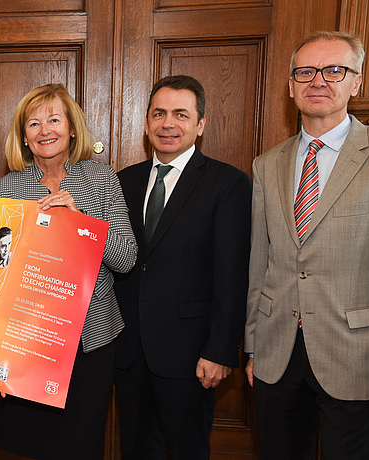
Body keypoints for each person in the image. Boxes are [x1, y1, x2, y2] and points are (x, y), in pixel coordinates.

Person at [245, 31, 369, 460]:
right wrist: (253, 344)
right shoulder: (267, 163)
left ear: (356, 82)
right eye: (306, 71)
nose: (318, 81)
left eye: (334, 70)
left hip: (356, 356)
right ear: (290, 85)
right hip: (277, 355)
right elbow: (262, 262)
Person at [0, 83, 137, 459]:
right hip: (25, 344)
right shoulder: (5, 189)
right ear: (23, 136)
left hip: (90, 346)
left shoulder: (102, 179)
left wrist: (80, 224)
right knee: (27, 446)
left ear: (72, 127)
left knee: (80, 446)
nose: (45, 131)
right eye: (34, 123)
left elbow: (126, 258)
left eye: (54, 119)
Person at [111, 75, 252, 459]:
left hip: (191, 355)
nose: (167, 124)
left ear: (200, 124)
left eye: (180, 114)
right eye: (158, 114)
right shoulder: (124, 181)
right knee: (136, 450)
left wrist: (221, 350)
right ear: (145, 123)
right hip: (129, 350)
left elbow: (232, 275)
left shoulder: (229, 185)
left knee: (187, 451)